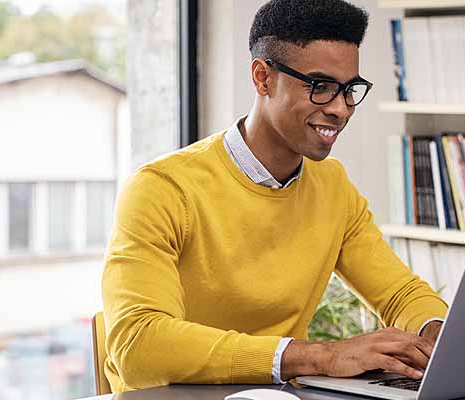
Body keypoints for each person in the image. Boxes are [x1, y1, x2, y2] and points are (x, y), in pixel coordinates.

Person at [102, 0, 447, 392]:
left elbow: (400, 293)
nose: (340, 109)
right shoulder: (161, 189)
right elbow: (139, 344)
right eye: (320, 87)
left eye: (349, 89)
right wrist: (321, 356)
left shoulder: (332, 186)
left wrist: (435, 333)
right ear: (262, 77)